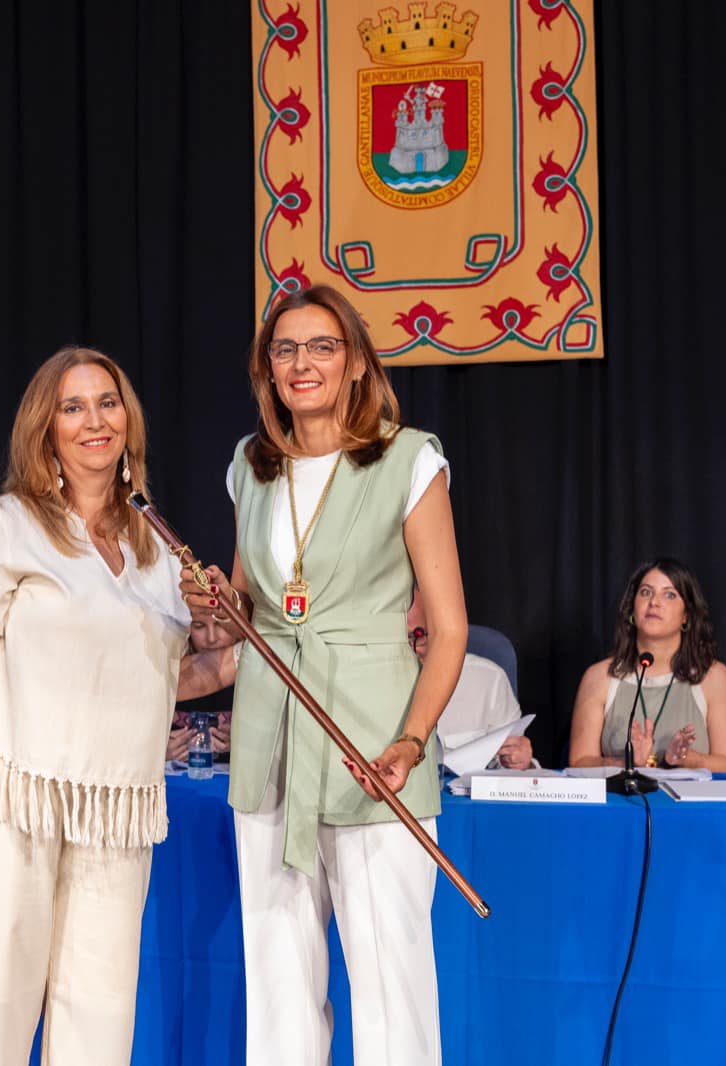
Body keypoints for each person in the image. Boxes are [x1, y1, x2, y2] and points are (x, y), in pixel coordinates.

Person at [0, 347, 234, 1065]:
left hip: (115, 811)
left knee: (100, 1021)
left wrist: (243, 644)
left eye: (108, 402)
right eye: (72, 407)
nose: (94, 420)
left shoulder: (159, 548)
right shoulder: (3, 526)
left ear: (128, 419)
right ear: (44, 428)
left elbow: (155, 682)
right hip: (11, 801)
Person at [179, 284, 467, 1065]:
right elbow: (244, 616)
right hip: (270, 740)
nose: (301, 363)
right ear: (267, 369)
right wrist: (211, 604)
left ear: (356, 363)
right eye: (285, 349)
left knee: (390, 988)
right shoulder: (250, 467)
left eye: (320, 347)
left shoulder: (409, 459)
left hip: (371, 743)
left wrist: (410, 742)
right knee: (278, 984)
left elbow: (448, 630)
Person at [568, 558, 726, 771]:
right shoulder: (599, 677)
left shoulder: (714, 677)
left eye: (669, 595)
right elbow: (580, 762)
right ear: (632, 610)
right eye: (646, 592)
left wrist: (687, 759)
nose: (654, 602)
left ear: (686, 616)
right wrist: (626, 763)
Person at [407, 596, 533, 770]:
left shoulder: (488, 678)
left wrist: (520, 762)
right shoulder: (374, 684)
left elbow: (511, 765)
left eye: (418, 636)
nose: (408, 649)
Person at [168, 614, 235, 762]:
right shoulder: (166, 672)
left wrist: (243, 744)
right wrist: (159, 753)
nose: (211, 638)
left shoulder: (252, 675)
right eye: (199, 626)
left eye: (221, 624)